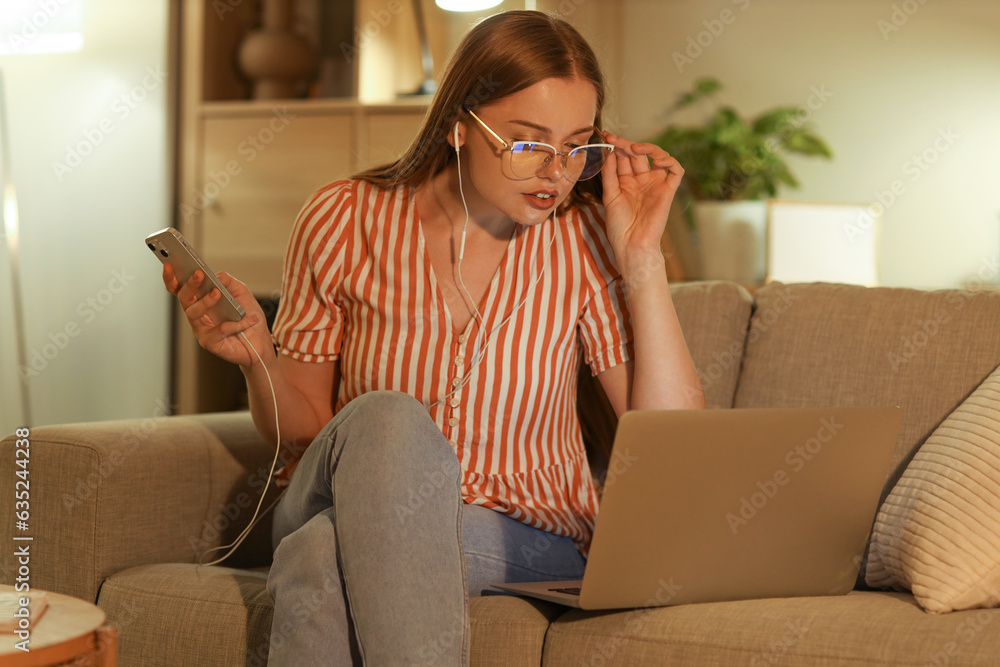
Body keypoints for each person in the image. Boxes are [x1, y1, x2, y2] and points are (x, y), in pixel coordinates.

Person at [163, 9, 704, 665]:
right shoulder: (344, 218)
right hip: (335, 489)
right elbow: (306, 430)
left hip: (522, 532)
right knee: (389, 417)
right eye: (528, 143)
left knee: (318, 549)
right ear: (458, 125)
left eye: (576, 146)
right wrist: (257, 356)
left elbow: (674, 447)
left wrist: (641, 254)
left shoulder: (584, 240)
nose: (555, 173)